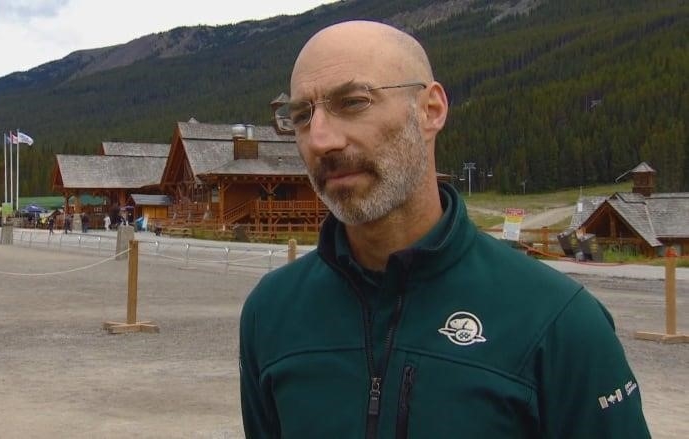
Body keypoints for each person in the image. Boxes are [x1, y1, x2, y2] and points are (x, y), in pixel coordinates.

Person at [239, 21, 650, 438]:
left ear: (430, 110)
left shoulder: (557, 320)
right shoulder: (271, 313)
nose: (321, 139)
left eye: (353, 101)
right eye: (301, 115)